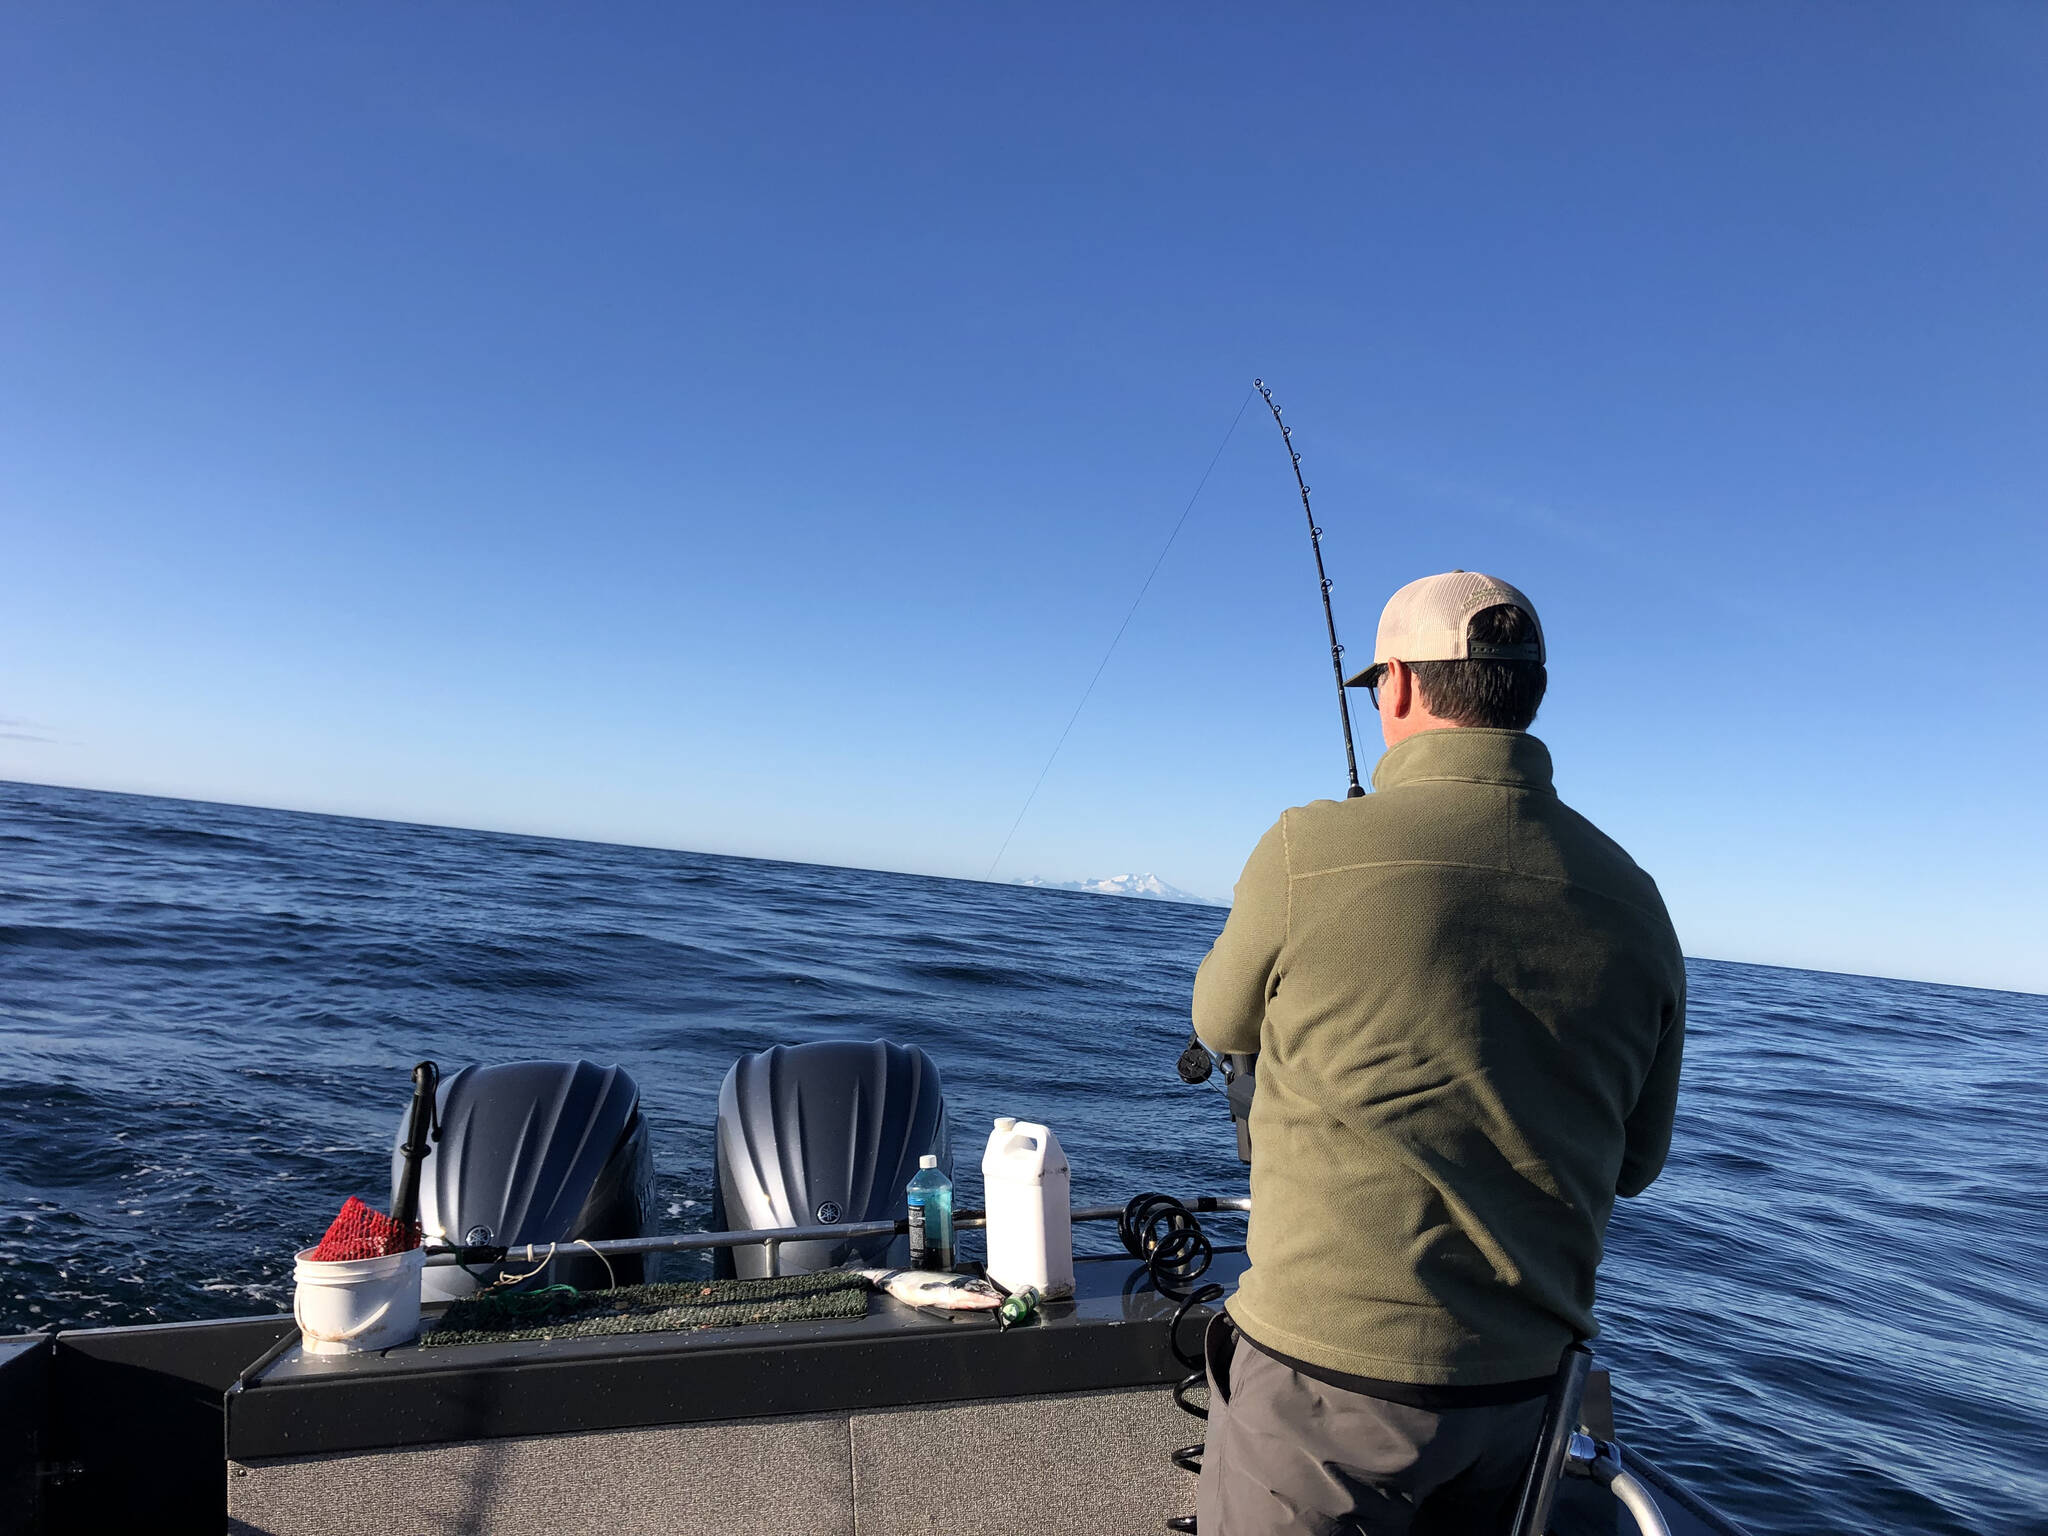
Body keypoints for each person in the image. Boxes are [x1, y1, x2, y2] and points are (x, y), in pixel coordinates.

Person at [1191, 570, 1685, 1536]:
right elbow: (1638, 1163)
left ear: (1404, 688)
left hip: (1321, 1386)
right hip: (1530, 1401)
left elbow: (1218, 1023)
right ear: (1528, 693)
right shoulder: (1638, 902)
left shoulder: (1304, 850)